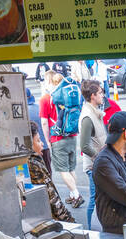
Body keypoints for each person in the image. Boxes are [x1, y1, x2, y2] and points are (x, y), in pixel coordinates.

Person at [40, 71, 84, 208]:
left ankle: (76, 194)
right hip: (72, 136)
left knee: (63, 170)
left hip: (57, 138)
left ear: (49, 82)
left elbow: (44, 122)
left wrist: (47, 140)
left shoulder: (46, 99)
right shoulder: (70, 97)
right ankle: (72, 194)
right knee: (71, 169)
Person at [28, 122, 75, 223]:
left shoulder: (33, 161)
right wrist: (68, 219)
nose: (42, 143)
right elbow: (51, 196)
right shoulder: (34, 165)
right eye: (38, 140)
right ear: (29, 144)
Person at [79, 79, 107, 229]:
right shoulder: (88, 117)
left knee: (97, 197)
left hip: (98, 164)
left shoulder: (94, 112)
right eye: (100, 92)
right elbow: (84, 145)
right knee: (94, 199)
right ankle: (91, 230)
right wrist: (100, 157)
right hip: (94, 166)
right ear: (92, 96)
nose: (103, 95)